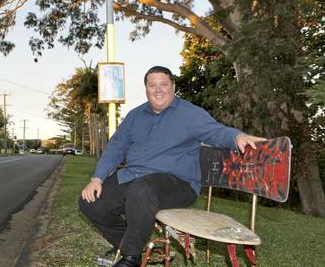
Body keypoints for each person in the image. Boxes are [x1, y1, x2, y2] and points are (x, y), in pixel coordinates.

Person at [78, 66, 265, 267]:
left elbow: (216, 132)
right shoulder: (135, 116)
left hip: (178, 183)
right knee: (90, 202)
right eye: (152, 85)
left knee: (142, 189)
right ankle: (128, 241)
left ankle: (131, 258)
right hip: (135, 176)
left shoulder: (190, 114)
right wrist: (97, 178)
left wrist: (238, 137)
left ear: (173, 87)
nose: (158, 90)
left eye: (164, 84)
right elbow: (116, 147)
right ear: (146, 89)